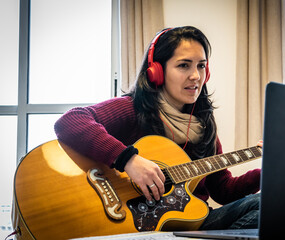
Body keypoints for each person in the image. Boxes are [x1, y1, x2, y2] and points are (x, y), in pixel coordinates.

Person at [54, 26, 262, 230]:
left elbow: (223, 190)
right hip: (129, 218)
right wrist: (129, 160)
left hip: (192, 222)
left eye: (201, 66)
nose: (196, 76)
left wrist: (268, 172)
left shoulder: (203, 126)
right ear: (157, 72)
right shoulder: (131, 109)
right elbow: (71, 121)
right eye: (184, 65)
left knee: (270, 204)